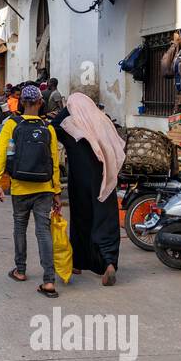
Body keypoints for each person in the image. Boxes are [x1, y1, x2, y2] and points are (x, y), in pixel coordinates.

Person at [0, 84, 62, 298]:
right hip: (44, 188)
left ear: (21, 102)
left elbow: (1, 153)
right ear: (41, 103)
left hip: (20, 186)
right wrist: (56, 191)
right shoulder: (48, 128)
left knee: (19, 227)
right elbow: (54, 163)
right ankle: (49, 281)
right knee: (43, 232)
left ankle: (20, 270)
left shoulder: (12, 124)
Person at [54, 92, 125, 287]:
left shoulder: (70, 125)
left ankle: (78, 262)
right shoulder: (102, 120)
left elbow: (52, 128)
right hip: (105, 177)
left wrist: (66, 110)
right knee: (106, 218)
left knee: (81, 218)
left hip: (81, 180)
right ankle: (109, 263)